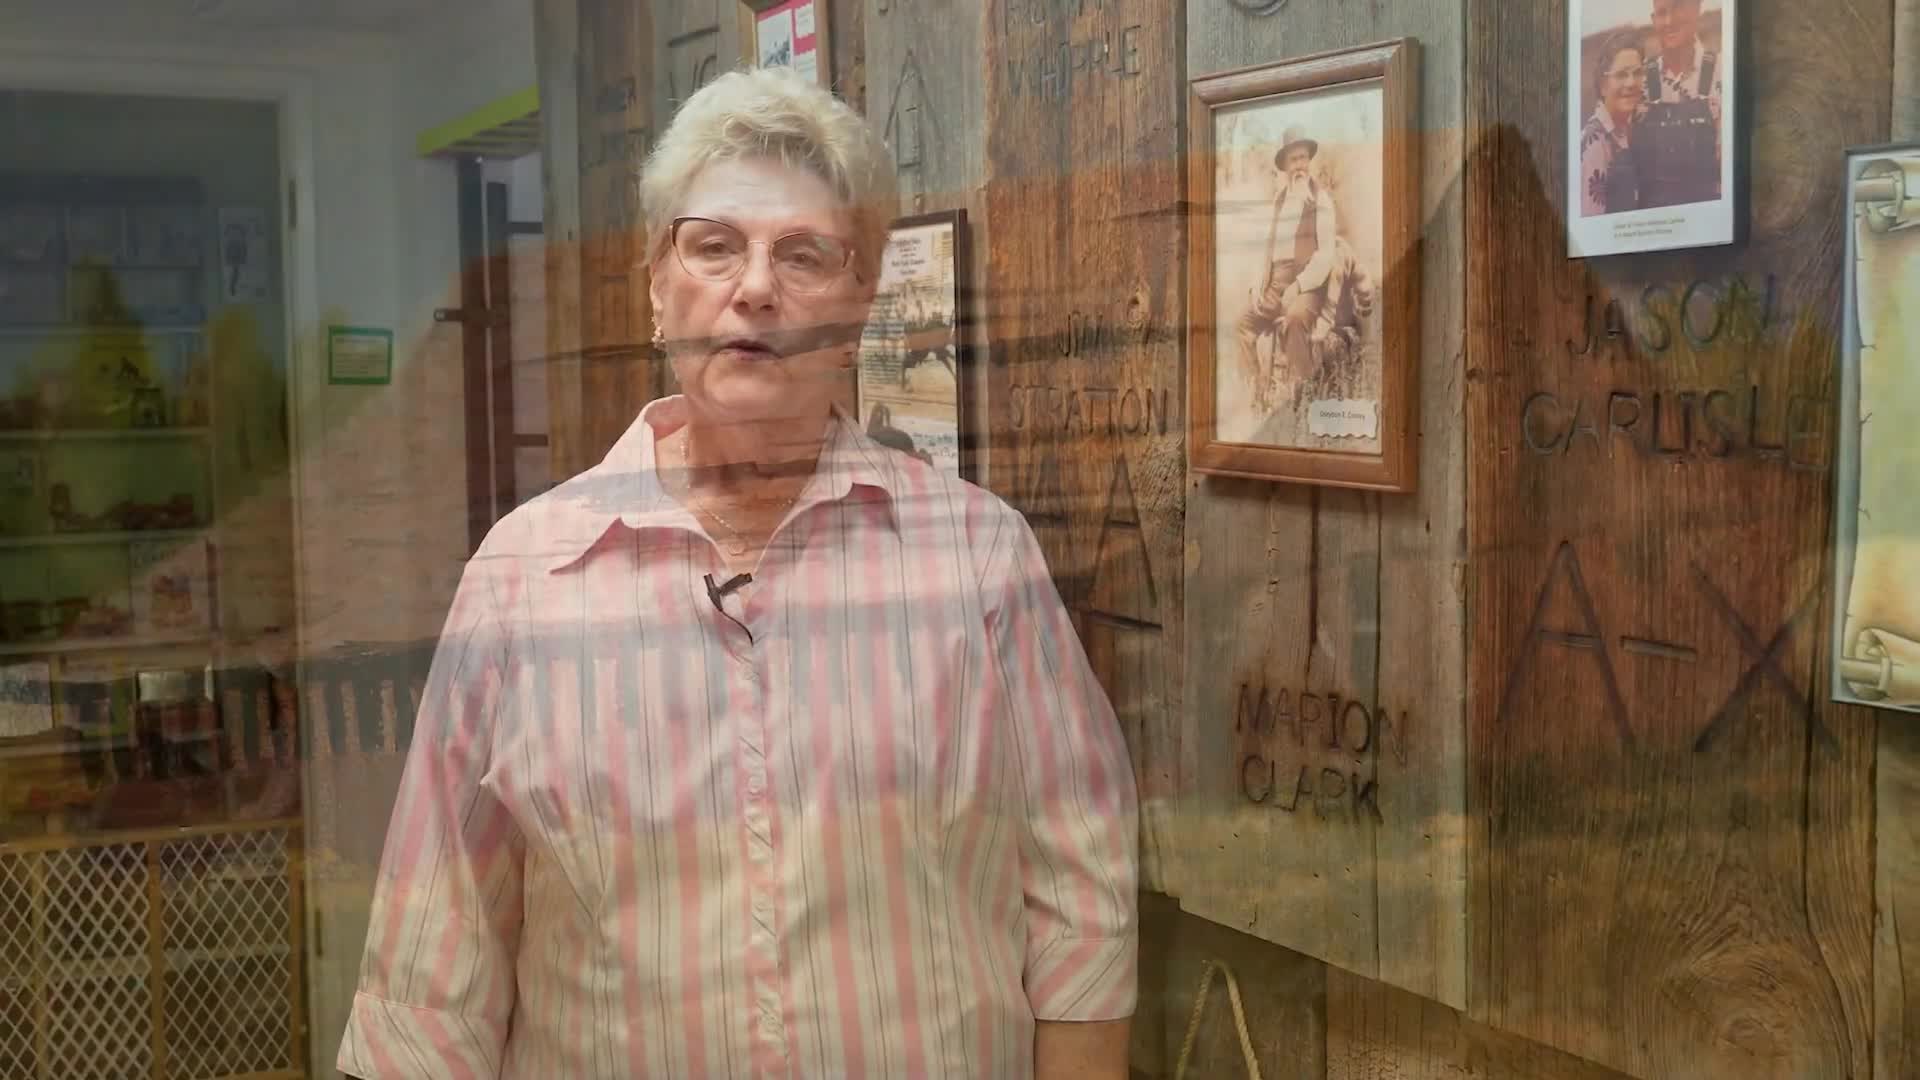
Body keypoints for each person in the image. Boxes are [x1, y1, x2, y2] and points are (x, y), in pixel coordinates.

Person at [335, 66, 1137, 1080]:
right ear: (658, 287)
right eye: (714, 245)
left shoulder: (978, 557)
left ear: (857, 308)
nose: (755, 286)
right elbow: (431, 974)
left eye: (804, 254)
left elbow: (1082, 901)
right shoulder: (524, 575)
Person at [1236, 126, 1338, 411]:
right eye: (1293, 160)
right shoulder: (1278, 202)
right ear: (1284, 166)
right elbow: (1266, 249)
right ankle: (1256, 397)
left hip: (1307, 286)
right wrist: (1258, 284)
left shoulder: (1321, 201)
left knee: (1294, 319)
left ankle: (1306, 401)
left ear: (1309, 161)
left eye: (1303, 158)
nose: (1299, 166)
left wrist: (1299, 286)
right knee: (1241, 325)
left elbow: (1326, 255)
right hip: (1276, 284)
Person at [1632, 0, 1724, 208]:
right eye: (1662, 12)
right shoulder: (1638, 80)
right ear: (1653, 20)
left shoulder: (1722, 70)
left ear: (1697, 10)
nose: (1669, 21)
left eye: (1678, 8)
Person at [1579, 34, 1647, 216]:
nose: (1631, 82)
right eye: (1621, 75)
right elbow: (1591, 223)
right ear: (1603, 85)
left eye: (1637, 73)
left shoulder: (1631, 127)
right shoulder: (1594, 142)